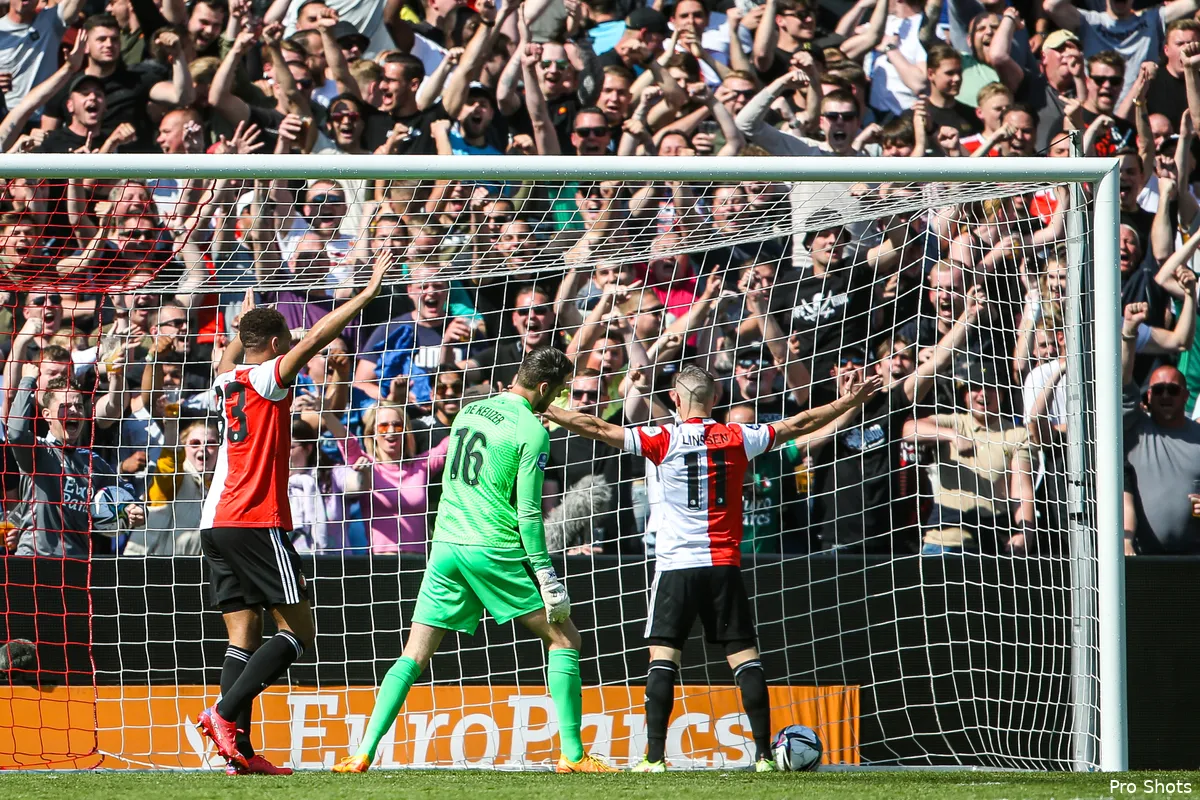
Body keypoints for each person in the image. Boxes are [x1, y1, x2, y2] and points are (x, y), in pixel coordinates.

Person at [540, 364, 881, 771]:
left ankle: (653, 759)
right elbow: (801, 422)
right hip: (723, 565)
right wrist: (850, 401)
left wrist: (550, 410)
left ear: (674, 399)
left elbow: (597, 428)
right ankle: (766, 757)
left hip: (675, 566)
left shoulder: (659, 438)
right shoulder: (738, 436)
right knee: (744, 657)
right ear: (716, 399)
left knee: (663, 658)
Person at [332, 346, 619, 774]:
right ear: (544, 387)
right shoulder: (532, 431)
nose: (556, 400)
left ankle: (362, 751)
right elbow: (527, 512)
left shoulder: (469, 411)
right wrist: (545, 572)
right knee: (567, 641)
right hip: (492, 547)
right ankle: (574, 755)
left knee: (412, 654)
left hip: (446, 545)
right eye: (557, 392)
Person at [194, 251, 392, 775]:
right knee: (298, 633)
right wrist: (367, 294)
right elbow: (316, 339)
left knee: (244, 637)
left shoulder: (226, 378)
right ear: (277, 346)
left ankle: (238, 751)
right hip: (255, 518)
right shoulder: (266, 378)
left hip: (215, 523)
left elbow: (234, 351)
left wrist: (243, 320)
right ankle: (222, 713)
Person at [7, 369, 146, 557]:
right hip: (35, 559)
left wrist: (136, 509)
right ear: (47, 415)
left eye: (79, 406)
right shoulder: (37, 451)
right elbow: (15, 432)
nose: (73, 410)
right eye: (65, 406)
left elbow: (127, 491)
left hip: (77, 563)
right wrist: (27, 381)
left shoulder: (91, 461)